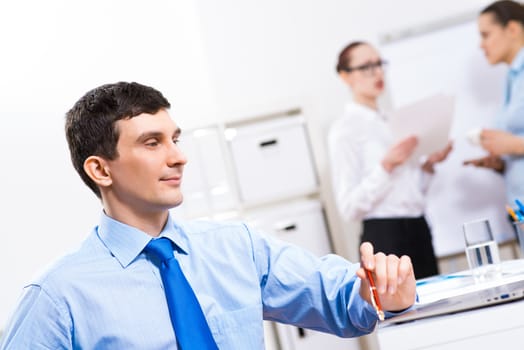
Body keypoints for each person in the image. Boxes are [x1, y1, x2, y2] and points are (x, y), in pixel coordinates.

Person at [0, 82, 416, 349]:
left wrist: (381, 292)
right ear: (100, 169)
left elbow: (341, 301)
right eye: (152, 143)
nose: (178, 157)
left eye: (175, 139)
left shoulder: (237, 247)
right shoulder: (58, 297)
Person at [328, 42, 453, 280]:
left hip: (418, 227)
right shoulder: (345, 130)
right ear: (345, 76)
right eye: (366, 67)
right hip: (385, 236)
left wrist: (428, 165)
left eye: (379, 64)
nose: (377, 72)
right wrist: (386, 167)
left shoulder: (392, 121)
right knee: (399, 314)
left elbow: (407, 192)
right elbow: (349, 207)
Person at [464, 0, 524, 210]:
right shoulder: (512, 78)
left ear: (513, 29)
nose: (481, 45)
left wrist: (514, 145)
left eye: (486, 34)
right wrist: (502, 162)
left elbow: (517, 143)